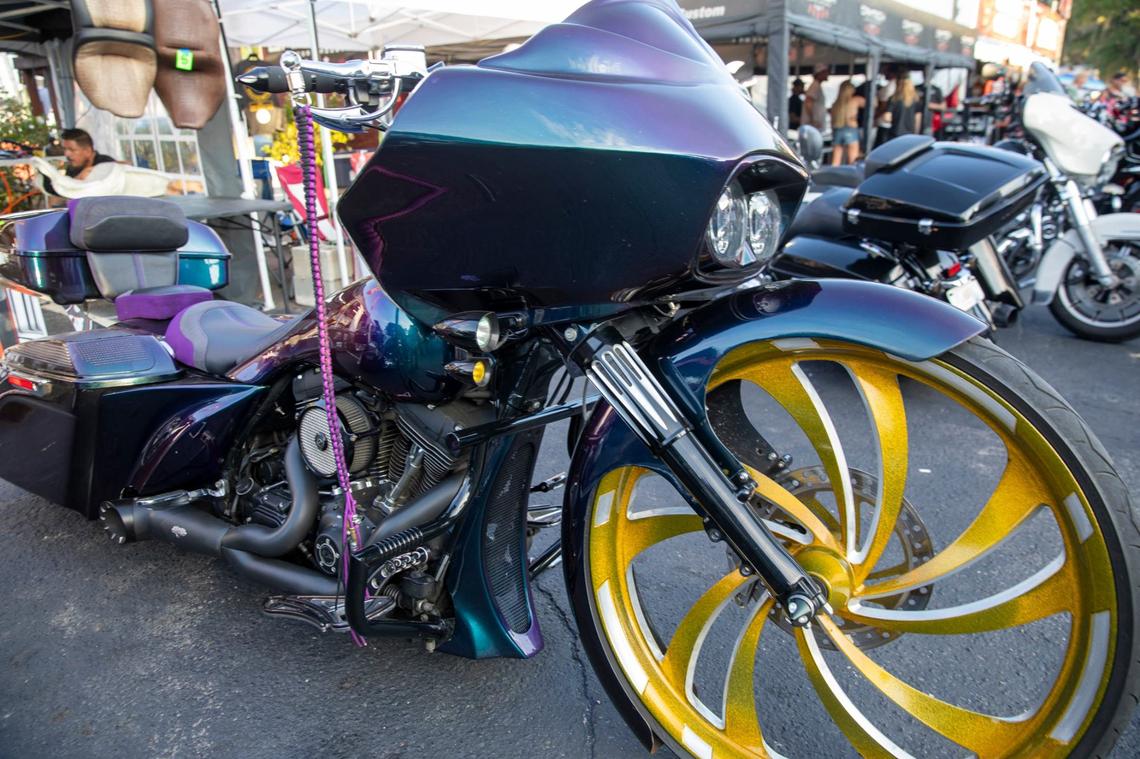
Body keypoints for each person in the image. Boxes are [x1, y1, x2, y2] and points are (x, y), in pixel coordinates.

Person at [42, 128, 117, 197]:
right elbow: (65, 191)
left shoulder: (106, 164)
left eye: (72, 150)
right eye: (65, 149)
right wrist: (46, 171)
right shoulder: (73, 168)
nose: (66, 154)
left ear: (87, 151)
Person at [829, 81, 865, 165]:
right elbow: (873, 104)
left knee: (835, 162)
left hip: (838, 130)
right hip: (851, 130)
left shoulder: (835, 104)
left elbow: (832, 121)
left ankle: (831, 176)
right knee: (852, 161)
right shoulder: (855, 100)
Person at [802, 63, 829, 130]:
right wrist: (812, 120)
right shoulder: (815, 86)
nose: (828, 74)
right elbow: (808, 102)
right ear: (819, 73)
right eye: (825, 72)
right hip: (813, 126)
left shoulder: (817, 86)